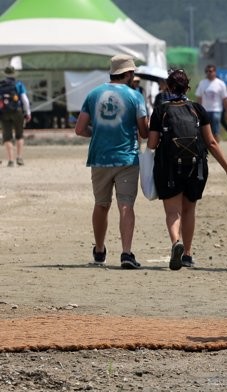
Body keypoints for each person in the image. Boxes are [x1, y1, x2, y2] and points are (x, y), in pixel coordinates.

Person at [147, 69, 227, 270]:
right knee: (189, 210)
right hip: (196, 168)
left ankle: (176, 243)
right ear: (187, 87)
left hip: (169, 168)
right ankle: (188, 254)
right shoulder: (197, 109)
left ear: (168, 87)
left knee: (173, 212)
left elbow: (152, 144)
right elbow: (212, 143)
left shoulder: (160, 111)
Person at [74, 54, 149, 269]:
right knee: (126, 204)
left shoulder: (93, 94)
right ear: (128, 74)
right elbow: (143, 131)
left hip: (100, 157)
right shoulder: (135, 97)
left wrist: (97, 132)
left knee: (101, 204)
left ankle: (99, 249)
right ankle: (126, 253)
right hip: (127, 157)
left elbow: (79, 129)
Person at [1, 65, 31, 167]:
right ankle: (19, 158)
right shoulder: (18, 84)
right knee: (19, 135)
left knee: (7, 137)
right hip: (17, 112)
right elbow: (25, 100)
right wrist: (28, 113)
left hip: (4, 113)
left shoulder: (1, 85)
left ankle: (10, 160)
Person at [195, 64, 227, 141]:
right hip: (205, 110)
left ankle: (216, 146)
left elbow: (225, 99)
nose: (209, 73)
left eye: (210, 71)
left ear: (215, 72)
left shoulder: (220, 84)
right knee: (205, 131)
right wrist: (198, 111)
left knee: (215, 131)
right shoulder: (202, 83)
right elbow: (199, 98)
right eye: (207, 71)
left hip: (216, 110)